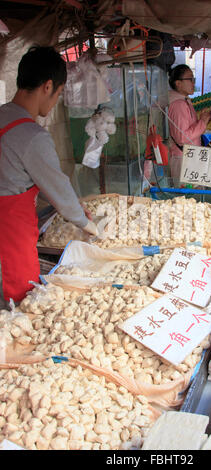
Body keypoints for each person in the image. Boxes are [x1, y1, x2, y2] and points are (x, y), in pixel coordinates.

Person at [0, 46, 99, 304]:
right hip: (11, 233)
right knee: (21, 301)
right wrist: (87, 224)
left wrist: (70, 203)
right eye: (58, 93)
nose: (55, 101)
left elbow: (29, 175)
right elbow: (57, 187)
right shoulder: (32, 136)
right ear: (47, 86)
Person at [168, 64, 211, 183]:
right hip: (184, 159)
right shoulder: (178, 105)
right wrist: (202, 121)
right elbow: (182, 137)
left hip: (189, 157)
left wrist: (202, 120)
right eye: (190, 79)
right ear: (178, 83)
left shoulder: (184, 101)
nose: (193, 83)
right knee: (188, 198)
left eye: (194, 79)